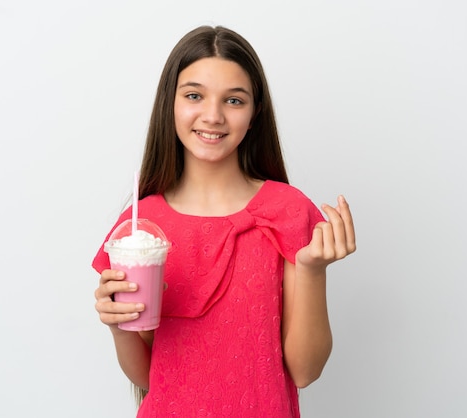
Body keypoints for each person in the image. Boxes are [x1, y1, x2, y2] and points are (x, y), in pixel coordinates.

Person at [92, 25, 356, 417]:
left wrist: (312, 271)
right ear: (171, 104)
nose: (212, 116)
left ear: (255, 114)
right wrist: (118, 325)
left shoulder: (287, 211)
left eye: (234, 100)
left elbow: (305, 371)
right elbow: (148, 379)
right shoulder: (140, 226)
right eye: (194, 95)